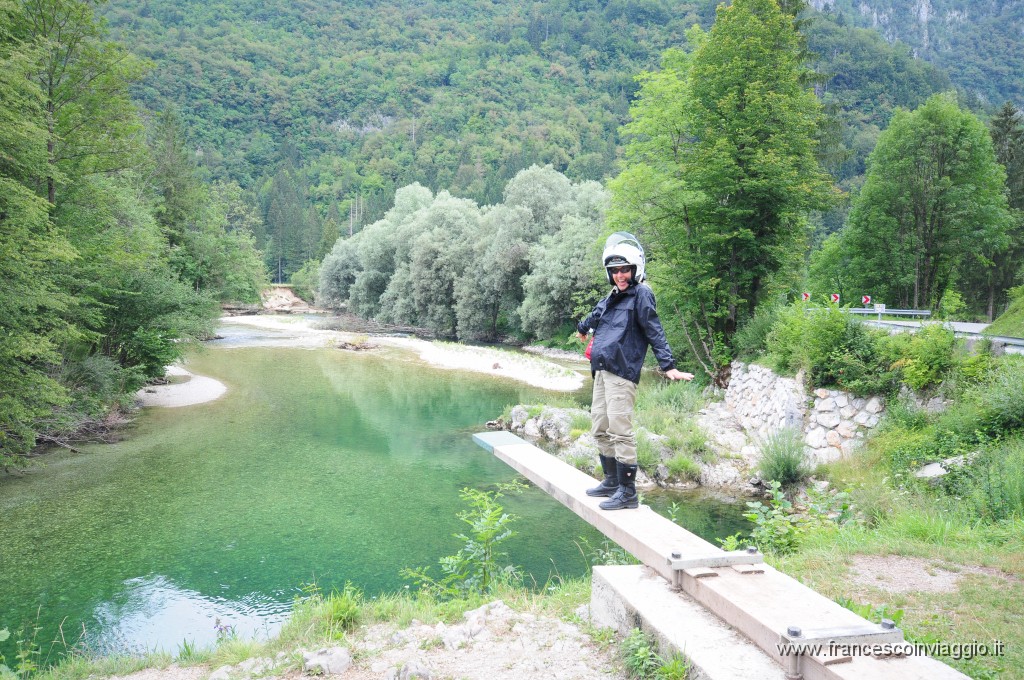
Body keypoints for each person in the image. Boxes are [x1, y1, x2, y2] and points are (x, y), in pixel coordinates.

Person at [576, 232, 693, 510]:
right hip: (602, 371)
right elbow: (595, 315)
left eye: (624, 269)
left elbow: (654, 329)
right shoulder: (613, 295)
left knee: (620, 432)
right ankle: (611, 482)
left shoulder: (642, 294)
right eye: (615, 270)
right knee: (600, 428)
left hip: (622, 372)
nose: (619, 275)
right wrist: (582, 328)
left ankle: (628, 493)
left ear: (635, 268)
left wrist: (669, 366)